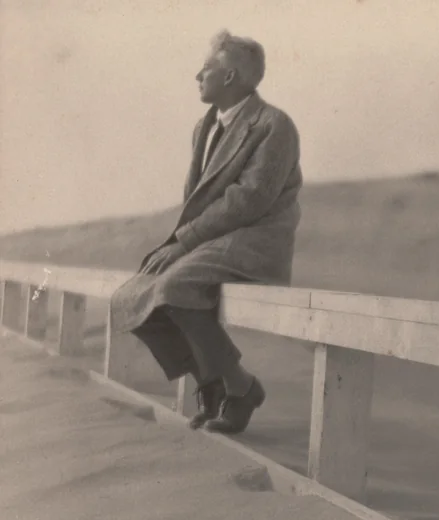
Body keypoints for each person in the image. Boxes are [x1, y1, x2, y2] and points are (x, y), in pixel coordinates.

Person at [109, 30, 302, 434]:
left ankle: (241, 388)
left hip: (255, 240)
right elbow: (196, 199)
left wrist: (183, 242)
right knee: (129, 297)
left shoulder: (274, 125)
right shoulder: (205, 127)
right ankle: (210, 384)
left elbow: (248, 200)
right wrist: (184, 243)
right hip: (211, 240)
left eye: (206, 68)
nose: (197, 75)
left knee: (175, 286)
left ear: (229, 77)